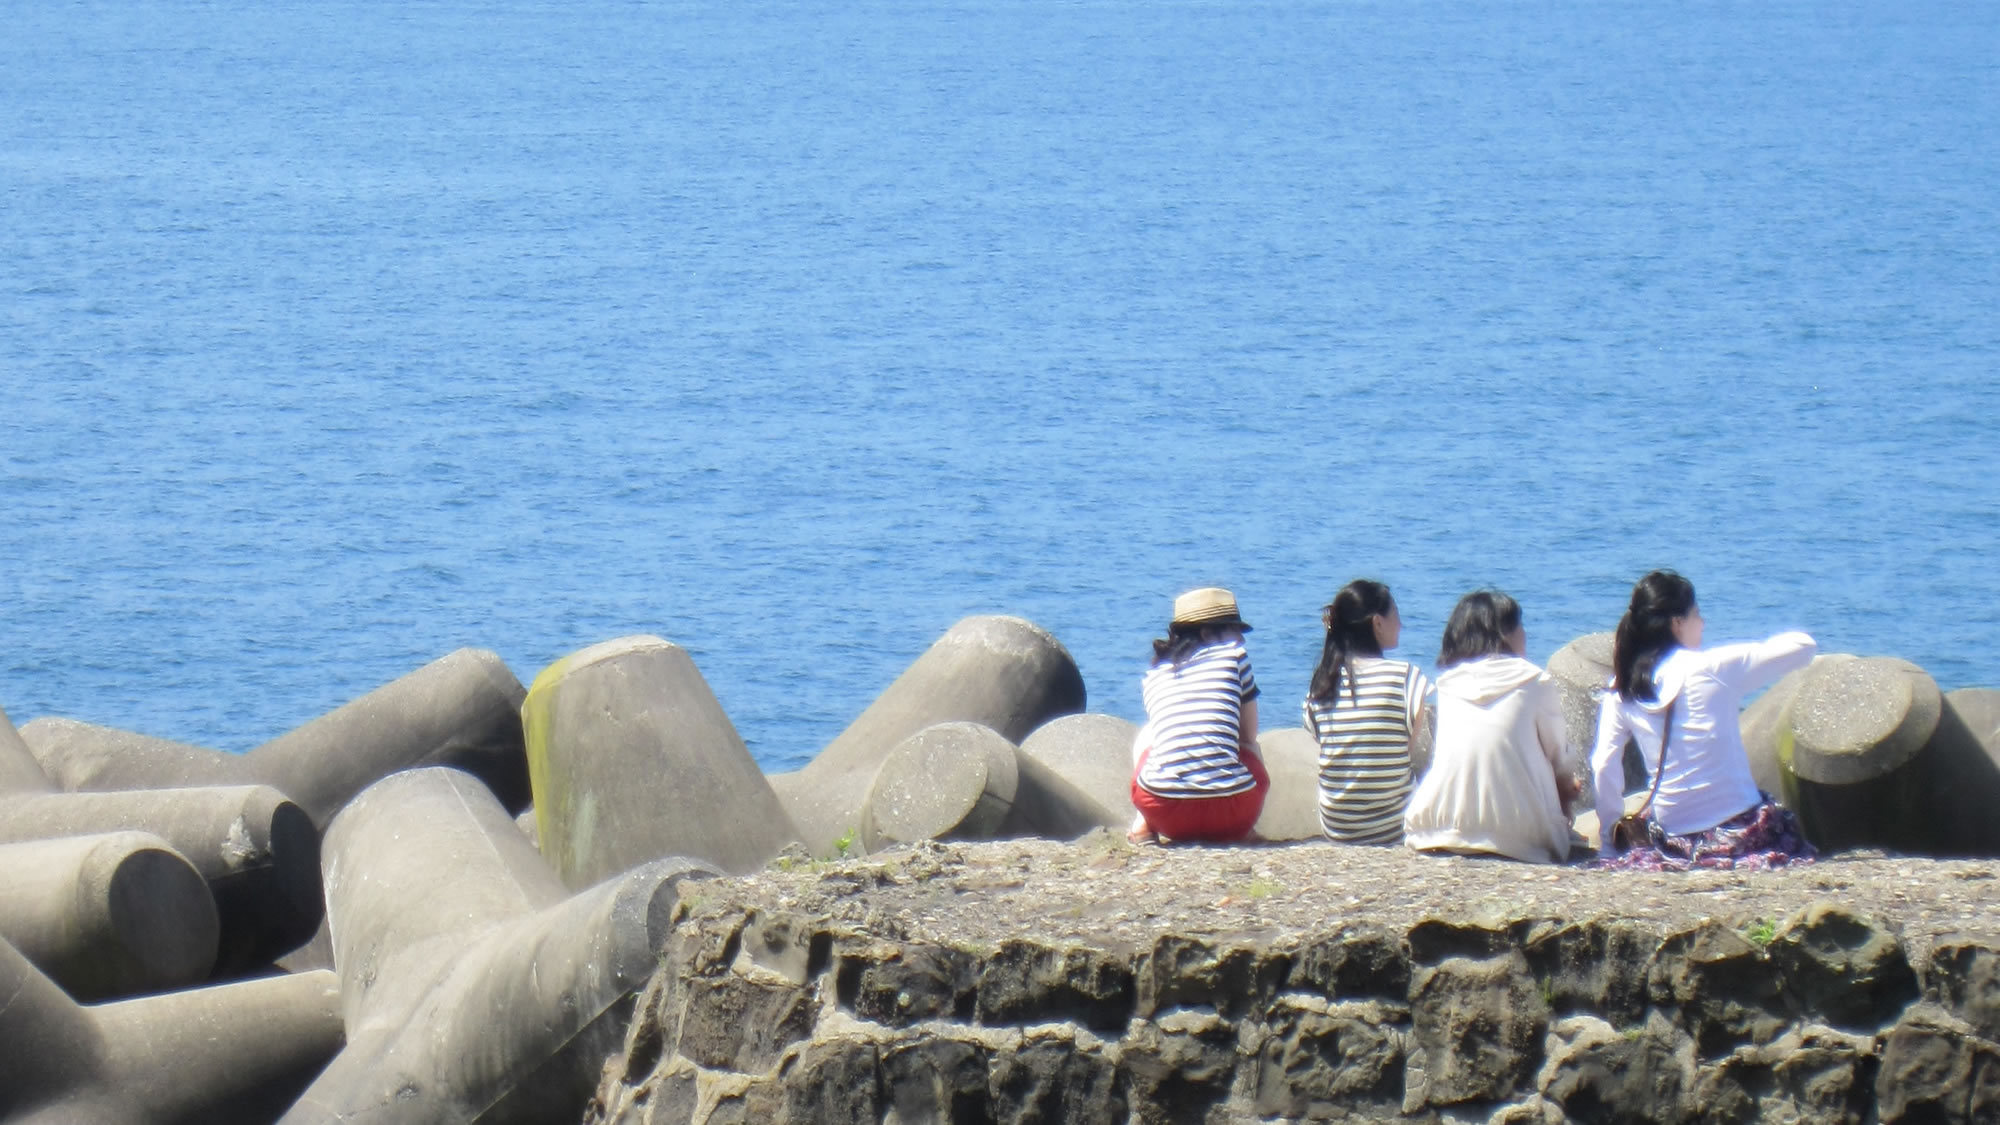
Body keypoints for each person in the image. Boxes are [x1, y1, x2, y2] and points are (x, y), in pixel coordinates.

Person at [1590, 570, 1818, 870]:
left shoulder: (1621, 688)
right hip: (1738, 830)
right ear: (1677, 623)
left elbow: (1603, 764)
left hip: (1671, 836)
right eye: (1697, 614)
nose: (1703, 623)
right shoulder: (1714, 666)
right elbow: (1804, 646)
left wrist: (1609, 842)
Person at [1404, 590, 1578, 863]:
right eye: (1520, 626)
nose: (1524, 633)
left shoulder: (1449, 684)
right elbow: (1559, 756)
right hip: (1520, 833)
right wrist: (1567, 788)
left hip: (1438, 825)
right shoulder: (1535, 681)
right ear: (1504, 634)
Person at [1129, 587, 1267, 844]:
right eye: (1234, 631)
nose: (1241, 640)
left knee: (1149, 734)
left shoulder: (1154, 673)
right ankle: (1247, 830)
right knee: (1250, 747)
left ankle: (1143, 825)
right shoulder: (1235, 656)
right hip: (1233, 813)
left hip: (1164, 811)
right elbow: (1249, 734)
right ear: (1206, 633)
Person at [1305, 580, 1433, 845]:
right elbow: (1405, 750)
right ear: (1377, 622)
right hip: (1395, 827)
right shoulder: (1406, 678)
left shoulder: (1321, 686)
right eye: (1395, 615)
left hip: (1338, 828)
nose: (1401, 624)